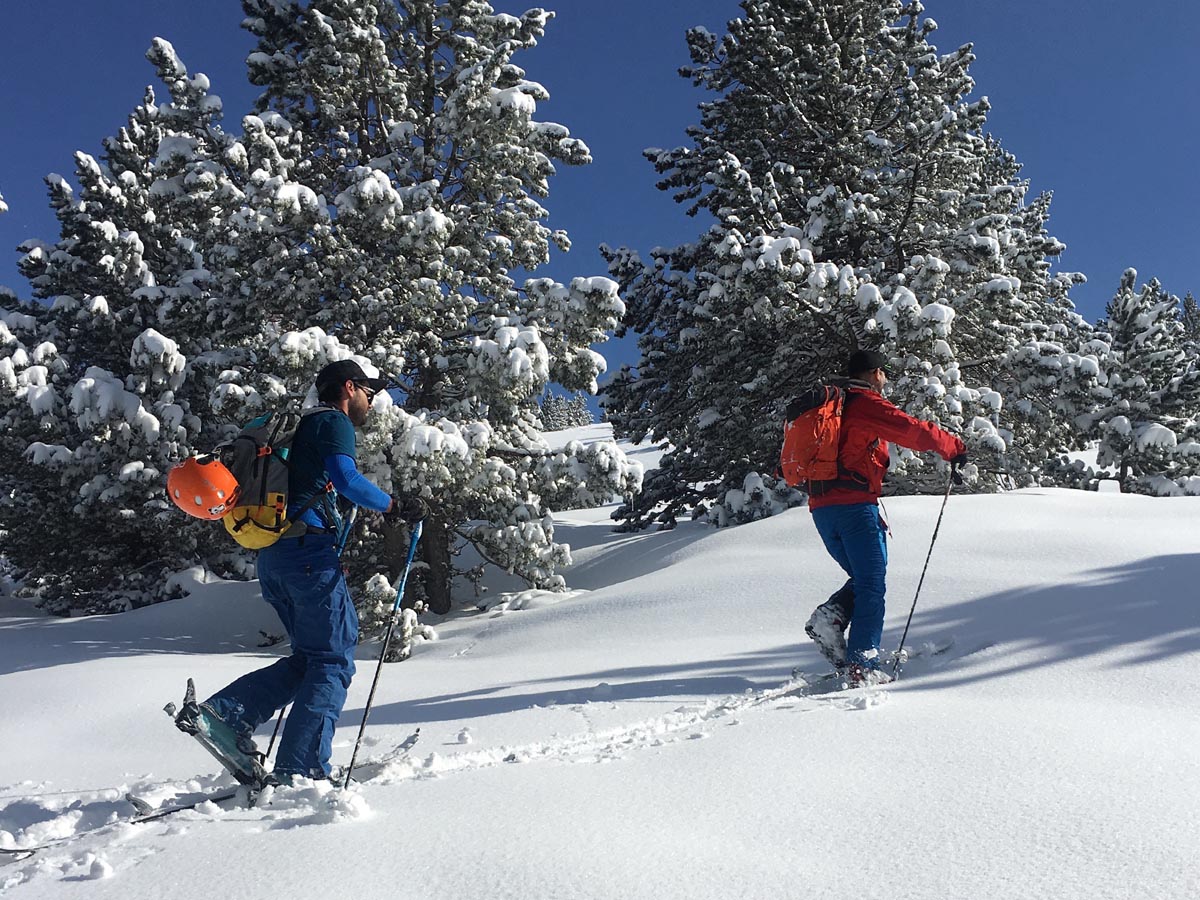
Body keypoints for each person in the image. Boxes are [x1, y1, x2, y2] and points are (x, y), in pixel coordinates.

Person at [200, 359, 425, 781]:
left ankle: (227, 716)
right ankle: (301, 770)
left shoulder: (299, 427)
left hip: (273, 558)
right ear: (347, 388)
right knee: (333, 660)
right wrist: (396, 507)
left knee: (310, 657)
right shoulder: (332, 422)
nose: (371, 401)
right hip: (307, 556)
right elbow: (347, 479)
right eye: (367, 391)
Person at [804, 349, 966, 686]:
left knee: (864, 580)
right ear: (874, 372)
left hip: (822, 509)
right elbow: (912, 431)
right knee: (871, 585)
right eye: (884, 371)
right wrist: (953, 447)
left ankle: (831, 618)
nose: (887, 378)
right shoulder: (864, 403)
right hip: (855, 508)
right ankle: (861, 665)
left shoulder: (827, 407)